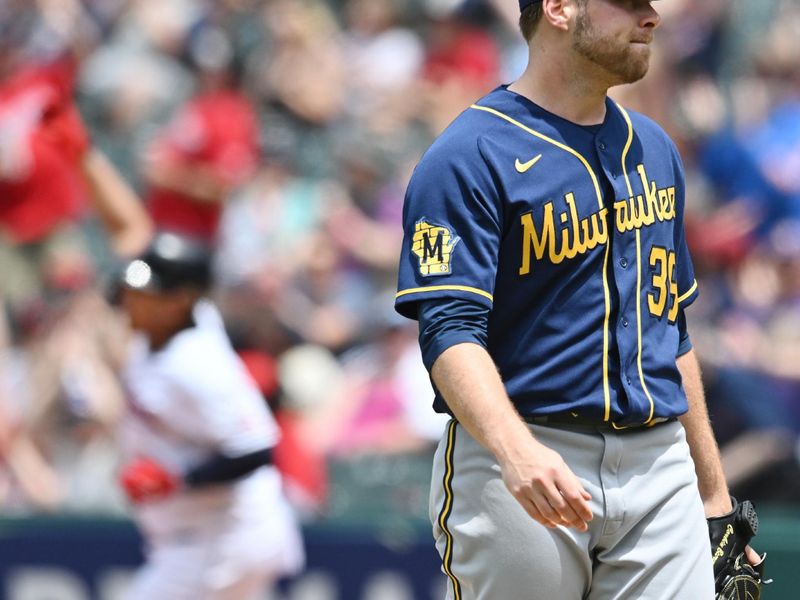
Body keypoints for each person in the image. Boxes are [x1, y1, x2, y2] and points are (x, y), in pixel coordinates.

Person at [394, 1, 759, 598]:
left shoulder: (654, 148)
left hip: (658, 457)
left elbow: (672, 328)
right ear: (560, 8)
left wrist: (712, 492)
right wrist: (515, 453)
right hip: (527, 449)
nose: (650, 18)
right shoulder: (470, 153)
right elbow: (449, 330)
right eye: (630, 5)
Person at [116, 232, 304, 600]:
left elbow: (258, 448)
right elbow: (127, 229)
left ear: (181, 300)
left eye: (147, 293)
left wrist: (179, 479)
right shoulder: (180, 321)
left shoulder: (197, 367)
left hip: (224, 540)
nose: (131, 300)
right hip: (205, 536)